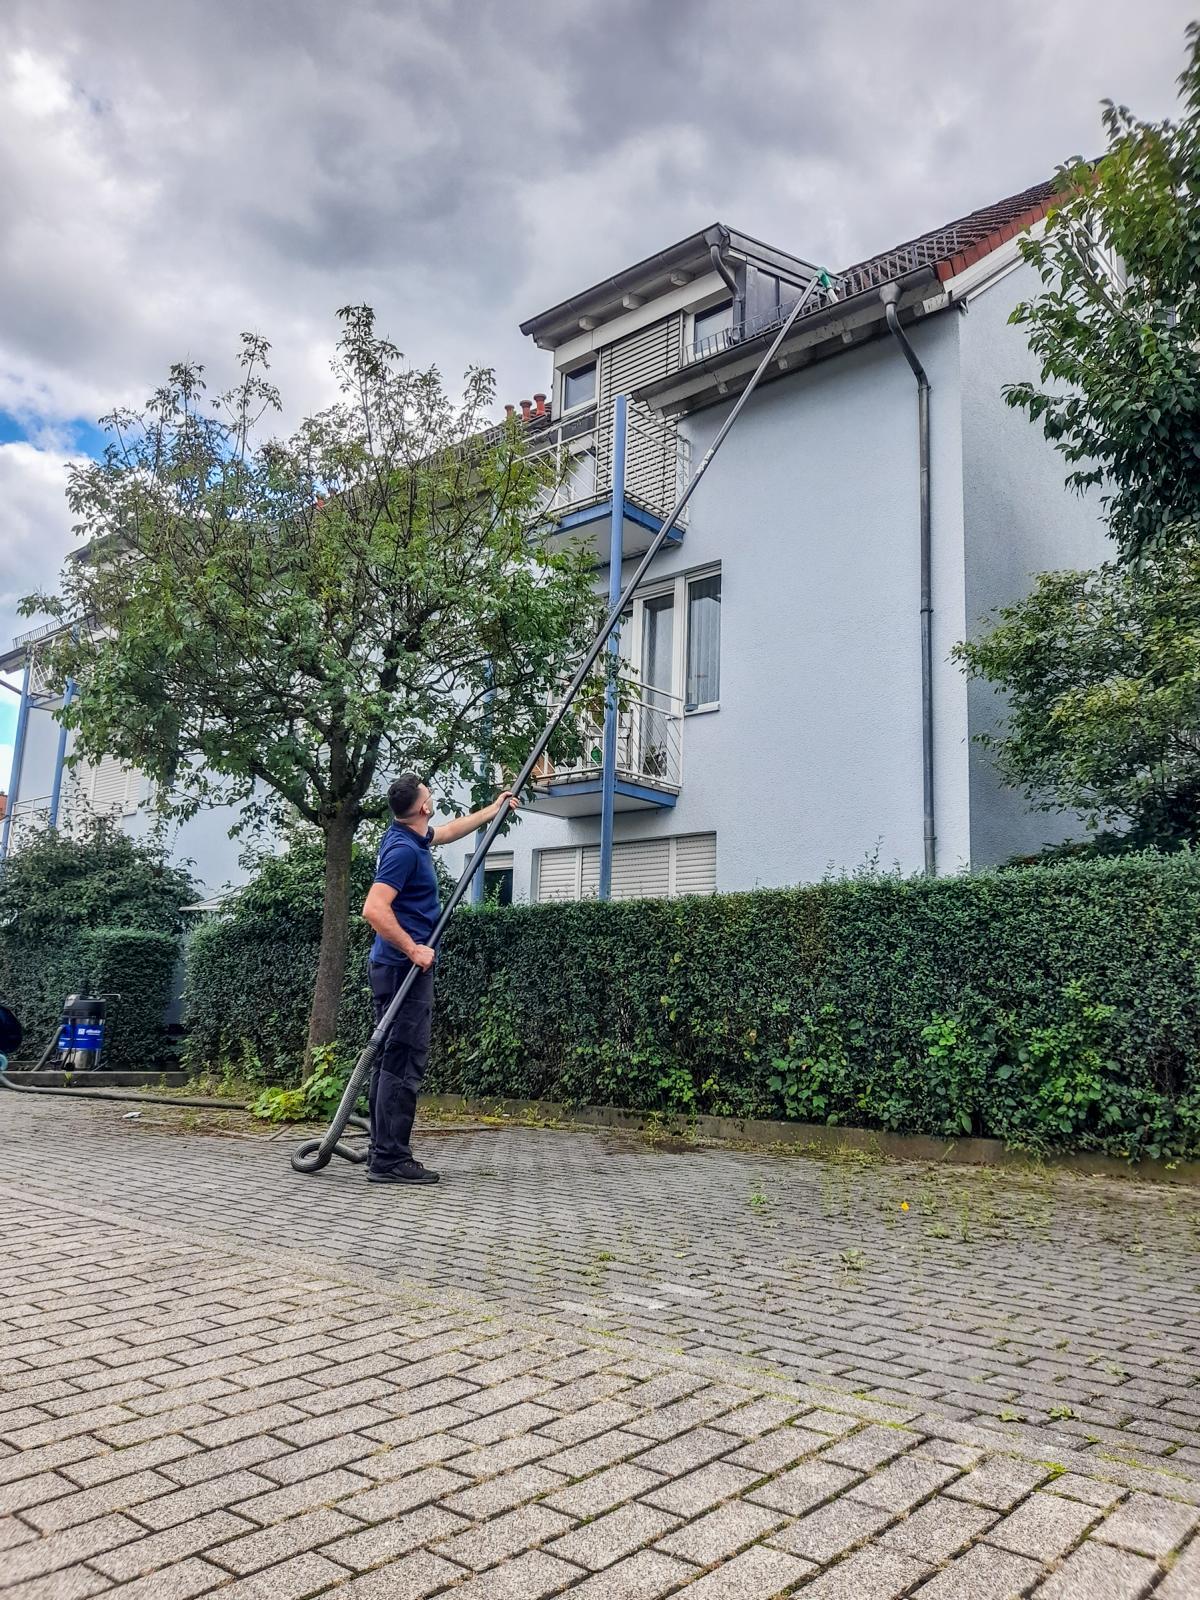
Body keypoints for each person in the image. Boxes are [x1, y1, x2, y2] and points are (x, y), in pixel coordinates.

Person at [360, 773, 518, 1185]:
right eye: (429, 797)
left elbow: (447, 832)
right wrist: (414, 949)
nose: (433, 803)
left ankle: (383, 1149)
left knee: (389, 1061)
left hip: (396, 966)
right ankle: (390, 1160)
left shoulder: (409, 836)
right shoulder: (402, 851)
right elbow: (374, 909)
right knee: (402, 1060)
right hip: (403, 969)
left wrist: (494, 808)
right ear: (423, 807)